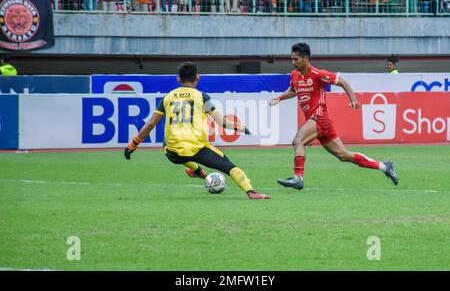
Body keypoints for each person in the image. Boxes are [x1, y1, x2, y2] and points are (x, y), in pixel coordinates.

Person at [124, 62, 271, 200]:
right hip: (198, 150)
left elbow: (150, 124)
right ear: (197, 78)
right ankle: (251, 192)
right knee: (231, 168)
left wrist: (133, 144)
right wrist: (240, 127)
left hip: (173, 152)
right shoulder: (202, 97)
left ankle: (197, 171)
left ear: (178, 79)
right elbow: (221, 122)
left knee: (166, 144)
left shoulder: (167, 97)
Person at [269, 43, 398, 190]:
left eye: (296, 59)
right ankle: (384, 166)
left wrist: (354, 100)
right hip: (320, 122)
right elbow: (293, 91)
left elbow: (343, 82)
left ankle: (298, 177)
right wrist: (279, 98)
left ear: (305, 58)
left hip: (319, 117)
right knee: (344, 155)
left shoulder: (318, 74)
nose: (293, 62)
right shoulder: (295, 75)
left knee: (298, 140)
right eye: (292, 59)